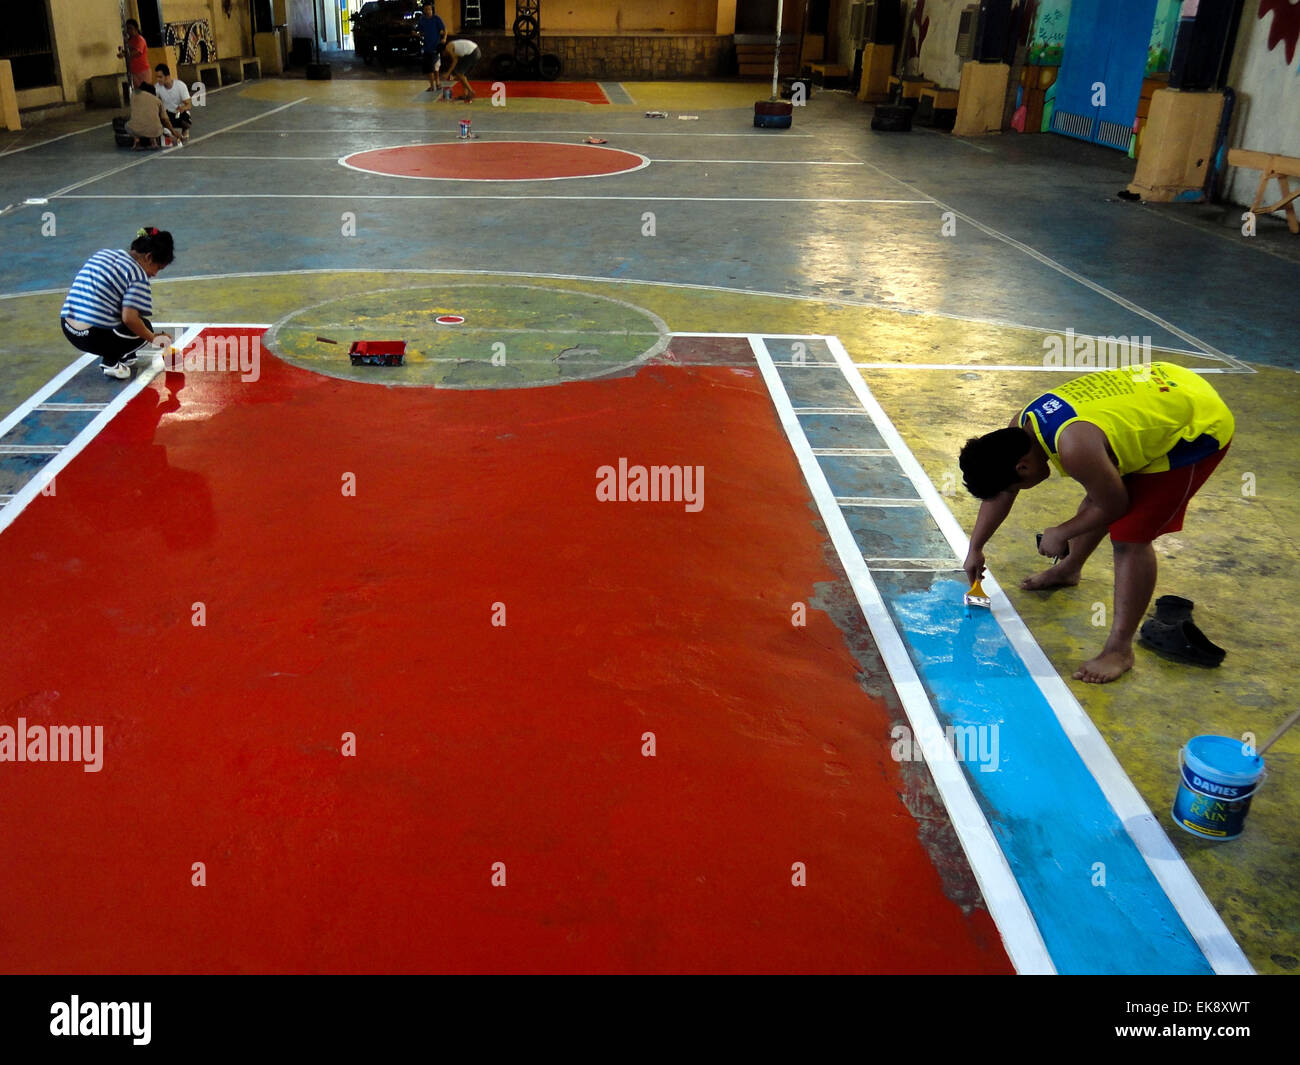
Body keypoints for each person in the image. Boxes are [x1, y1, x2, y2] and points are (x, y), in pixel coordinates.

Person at [958, 362, 1234, 684]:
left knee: (1130, 538)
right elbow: (1002, 495)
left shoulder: (1075, 448)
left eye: (1014, 485)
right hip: (1167, 384)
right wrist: (975, 548)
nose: (1012, 493)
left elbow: (1115, 505)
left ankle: (1119, 651)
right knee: (1101, 487)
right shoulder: (1020, 427)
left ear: (1022, 468)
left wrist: (1062, 532)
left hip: (1196, 425)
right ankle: (1069, 569)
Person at [60, 228, 175, 380]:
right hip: (91, 337)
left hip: (68, 327)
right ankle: (111, 362)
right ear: (148, 257)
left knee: (123, 313)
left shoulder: (103, 254)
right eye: (158, 268)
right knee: (143, 327)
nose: (154, 274)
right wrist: (154, 338)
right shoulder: (137, 276)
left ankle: (126, 355)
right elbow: (130, 319)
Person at [125, 81, 180, 149]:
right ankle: (153, 142)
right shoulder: (158, 101)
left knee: (127, 125)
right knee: (156, 124)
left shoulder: (133, 96)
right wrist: (173, 132)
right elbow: (165, 120)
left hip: (135, 130)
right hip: (156, 131)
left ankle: (137, 140)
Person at [153, 64, 192, 141]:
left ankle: (185, 129)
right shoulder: (156, 87)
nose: (158, 79)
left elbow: (189, 105)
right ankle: (169, 132)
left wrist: (182, 108)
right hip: (167, 114)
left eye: (160, 77)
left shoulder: (180, 85)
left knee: (186, 122)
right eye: (157, 77)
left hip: (179, 113)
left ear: (167, 76)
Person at [418, 3, 446, 93]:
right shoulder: (422, 20)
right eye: (426, 9)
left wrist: (444, 38)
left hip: (435, 47)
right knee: (430, 68)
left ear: (432, 10)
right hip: (426, 47)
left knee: (435, 67)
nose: (428, 11)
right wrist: (417, 34)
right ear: (424, 10)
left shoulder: (436, 19)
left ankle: (436, 83)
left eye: (429, 9)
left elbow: (444, 30)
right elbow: (420, 31)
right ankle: (432, 85)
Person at [442, 37, 481, 101]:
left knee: (459, 73)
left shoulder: (448, 48)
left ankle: (471, 91)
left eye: (442, 54)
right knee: (461, 74)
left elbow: (455, 61)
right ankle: (465, 94)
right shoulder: (452, 45)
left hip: (472, 52)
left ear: (443, 51)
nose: (443, 56)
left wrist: (448, 73)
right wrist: (454, 76)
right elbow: (458, 61)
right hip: (476, 51)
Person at [119, 19, 152, 88]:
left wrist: (125, 54)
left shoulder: (140, 39)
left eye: (130, 28)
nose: (128, 31)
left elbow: (137, 52)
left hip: (142, 71)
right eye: (127, 28)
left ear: (136, 28)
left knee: (145, 93)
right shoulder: (129, 40)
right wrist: (122, 51)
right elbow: (129, 52)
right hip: (133, 72)